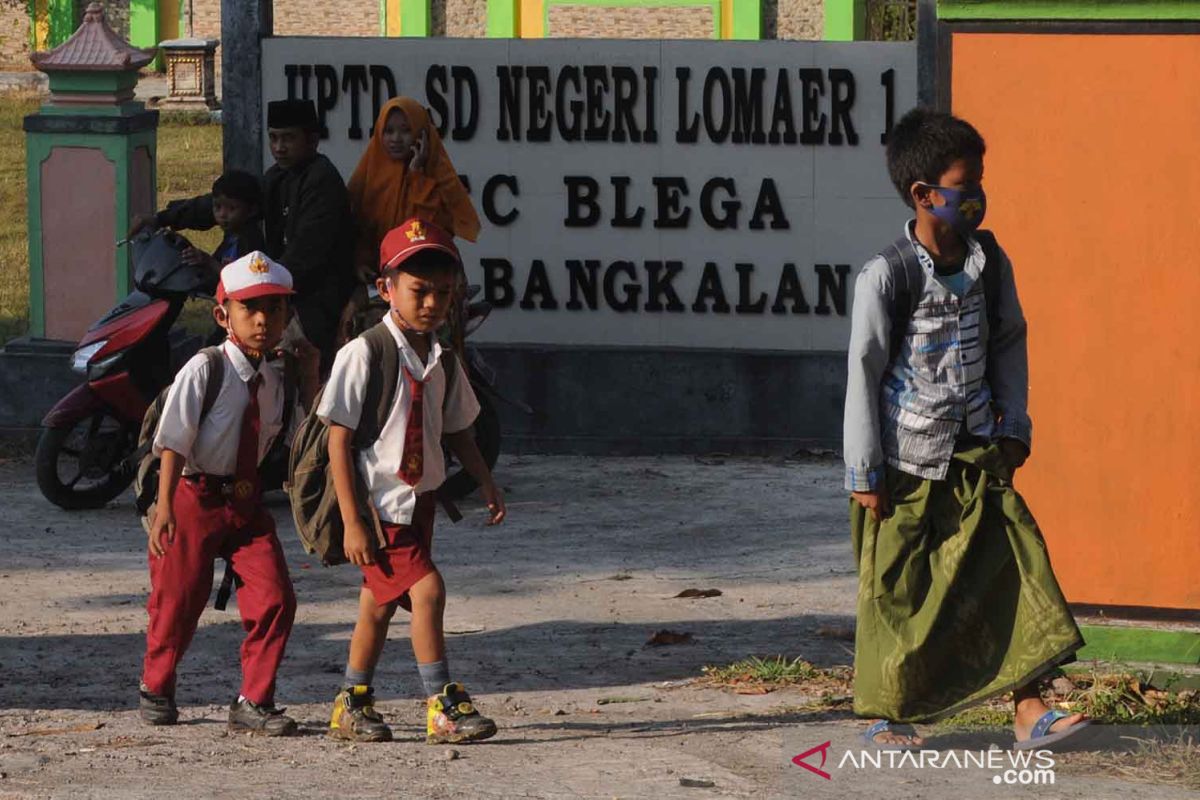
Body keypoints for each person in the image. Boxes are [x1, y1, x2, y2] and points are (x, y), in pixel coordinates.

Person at [842, 108, 1091, 751]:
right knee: (899, 590)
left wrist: (1016, 425)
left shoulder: (990, 260)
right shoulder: (885, 275)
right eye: (965, 183)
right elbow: (863, 375)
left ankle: (1030, 708)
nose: (977, 195)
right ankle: (888, 713)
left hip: (980, 449)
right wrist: (864, 472)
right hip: (904, 463)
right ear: (923, 194)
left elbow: (1010, 339)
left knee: (1015, 565)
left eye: (981, 180)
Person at [318, 218, 504, 744]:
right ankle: (441, 703)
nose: (431, 304)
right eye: (419, 291)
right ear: (386, 289)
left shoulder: (440, 357)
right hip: (379, 508)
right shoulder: (365, 352)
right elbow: (337, 438)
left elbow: (459, 428)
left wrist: (485, 481)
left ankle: (351, 702)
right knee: (428, 591)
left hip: (418, 504)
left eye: (443, 294)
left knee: (376, 608)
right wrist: (353, 521)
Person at [139, 252, 317, 735]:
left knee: (275, 596)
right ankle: (156, 684)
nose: (264, 320)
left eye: (276, 309)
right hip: (193, 496)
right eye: (250, 308)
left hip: (245, 501)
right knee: (177, 600)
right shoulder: (205, 368)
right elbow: (173, 440)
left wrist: (311, 375)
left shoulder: (280, 374)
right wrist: (163, 510)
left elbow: (304, 436)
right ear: (223, 316)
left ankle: (253, 700)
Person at [132, 99, 354, 370]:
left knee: (267, 361)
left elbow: (305, 257)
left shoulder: (322, 183)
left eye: (288, 139)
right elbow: (229, 202)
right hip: (276, 291)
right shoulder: (277, 176)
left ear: (313, 140)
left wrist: (266, 295)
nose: (279, 147)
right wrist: (162, 218)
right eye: (274, 138)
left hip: (313, 299)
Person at [339, 97, 481, 342]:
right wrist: (358, 261)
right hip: (379, 277)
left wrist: (417, 178)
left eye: (406, 131)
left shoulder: (435, 179)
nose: (396, 139)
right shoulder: (368, 177)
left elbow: (428, 235)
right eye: (389, 131)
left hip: (428, 274)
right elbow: (355, 228)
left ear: (422, 136)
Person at [179, 170, 267, 276]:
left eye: (232, 208)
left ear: (252, 210)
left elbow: (243, 280)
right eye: (217, 207)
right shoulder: (232, 236)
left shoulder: (251, 240)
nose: (222, 215)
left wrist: (208, 261)